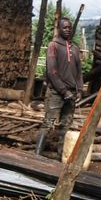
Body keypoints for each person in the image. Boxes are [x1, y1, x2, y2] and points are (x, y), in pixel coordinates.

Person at [36, 17, 83, 157]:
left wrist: (79, 89)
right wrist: (63, 90)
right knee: (48, 124)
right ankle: (36, 155)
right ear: (59, 29)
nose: (68, 30)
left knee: (66, 125)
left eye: (70, 27)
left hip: (72, 94)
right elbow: (51, 71)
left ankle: (60, 156)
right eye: (65, 27)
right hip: (56, 93)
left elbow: (79, 72)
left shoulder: (75, 49)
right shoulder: (53, 46)